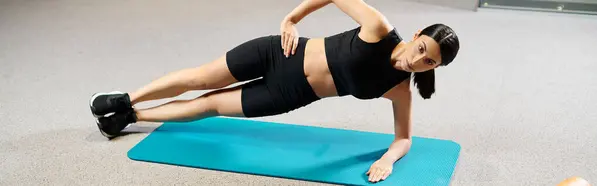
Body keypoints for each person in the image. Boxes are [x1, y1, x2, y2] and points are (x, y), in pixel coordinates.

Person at [89, 0, 459, 183]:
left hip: (290, 94)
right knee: (203, 78)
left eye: (429, 63)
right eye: (422, 48)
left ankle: (132, 117)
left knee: (210, 106)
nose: (418, 60)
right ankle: (128, 98)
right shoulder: (378, 27)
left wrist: (387, 160)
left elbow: (404, 139)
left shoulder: (397, 89)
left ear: (435, 69)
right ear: (416, 37)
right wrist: (292, 19)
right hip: (280, 52)